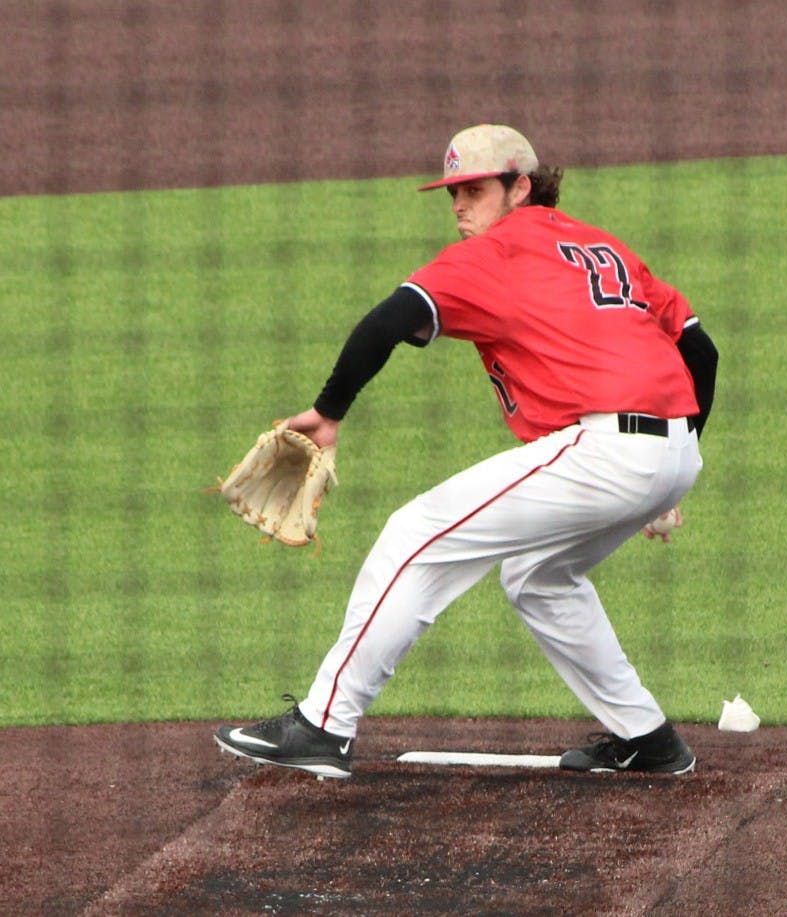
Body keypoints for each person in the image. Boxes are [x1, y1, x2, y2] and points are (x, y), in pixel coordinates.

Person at [215, 124, 718, 779]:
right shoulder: (601, 246)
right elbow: (699, 350)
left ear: (521, 186)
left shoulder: (496, 250)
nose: (459, 206)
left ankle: (320, 724)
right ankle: (648, 741)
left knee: (415, 532)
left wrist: (328, 411)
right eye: (452, 192)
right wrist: (672, 477)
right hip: (669, 444)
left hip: (607, 448)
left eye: (475, 189)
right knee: (538, 577)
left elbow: (388, 320)